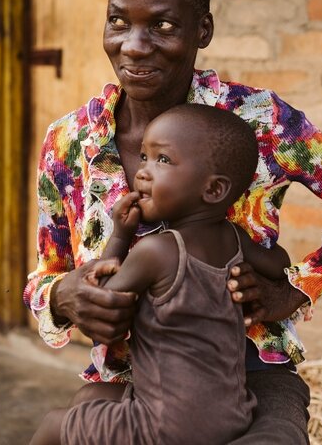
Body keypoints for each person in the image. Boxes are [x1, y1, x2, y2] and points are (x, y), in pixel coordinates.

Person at [24, 0, 322, 444]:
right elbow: (45, 276)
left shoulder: (257, 122)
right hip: (129, 381)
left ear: (202, 30)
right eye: (119, 21)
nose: (134, 45)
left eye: (162, 25)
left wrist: (294, 289)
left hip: (248, 372)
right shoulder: (69, 142)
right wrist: (62, 297)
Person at [31, 104, 292, 445]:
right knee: (90, 399)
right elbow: (280, 262)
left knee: (54, 425)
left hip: (166, 425)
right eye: (143, 157)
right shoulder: (235, 238)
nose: (143, 172)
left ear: (213, 190)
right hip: (230, 415)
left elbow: (102, 295)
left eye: (163, 160)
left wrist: (120, 237)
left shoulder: (157, 251)